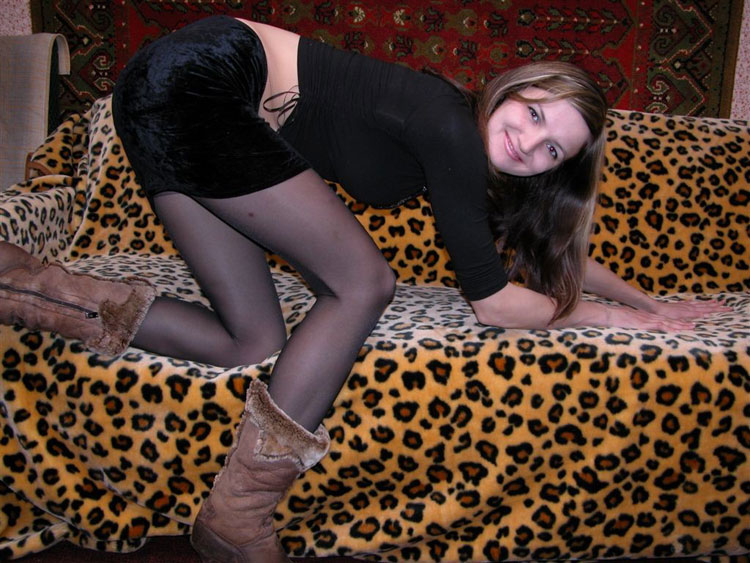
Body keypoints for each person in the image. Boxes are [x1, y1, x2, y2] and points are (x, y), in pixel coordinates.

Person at [0, 14, 727, 563]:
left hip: (166, 106)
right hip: (201, 80)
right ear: (513, 86)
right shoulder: (447, 123)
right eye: (533, 114)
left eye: (551, 150)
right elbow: (496, 305)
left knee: (250, 339)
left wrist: (649, 304)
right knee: (364, 282)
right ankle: (237, 515)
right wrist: (605, 320)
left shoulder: (462, 156)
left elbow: (542, 255)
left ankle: (28, 285)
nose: (528, 143)